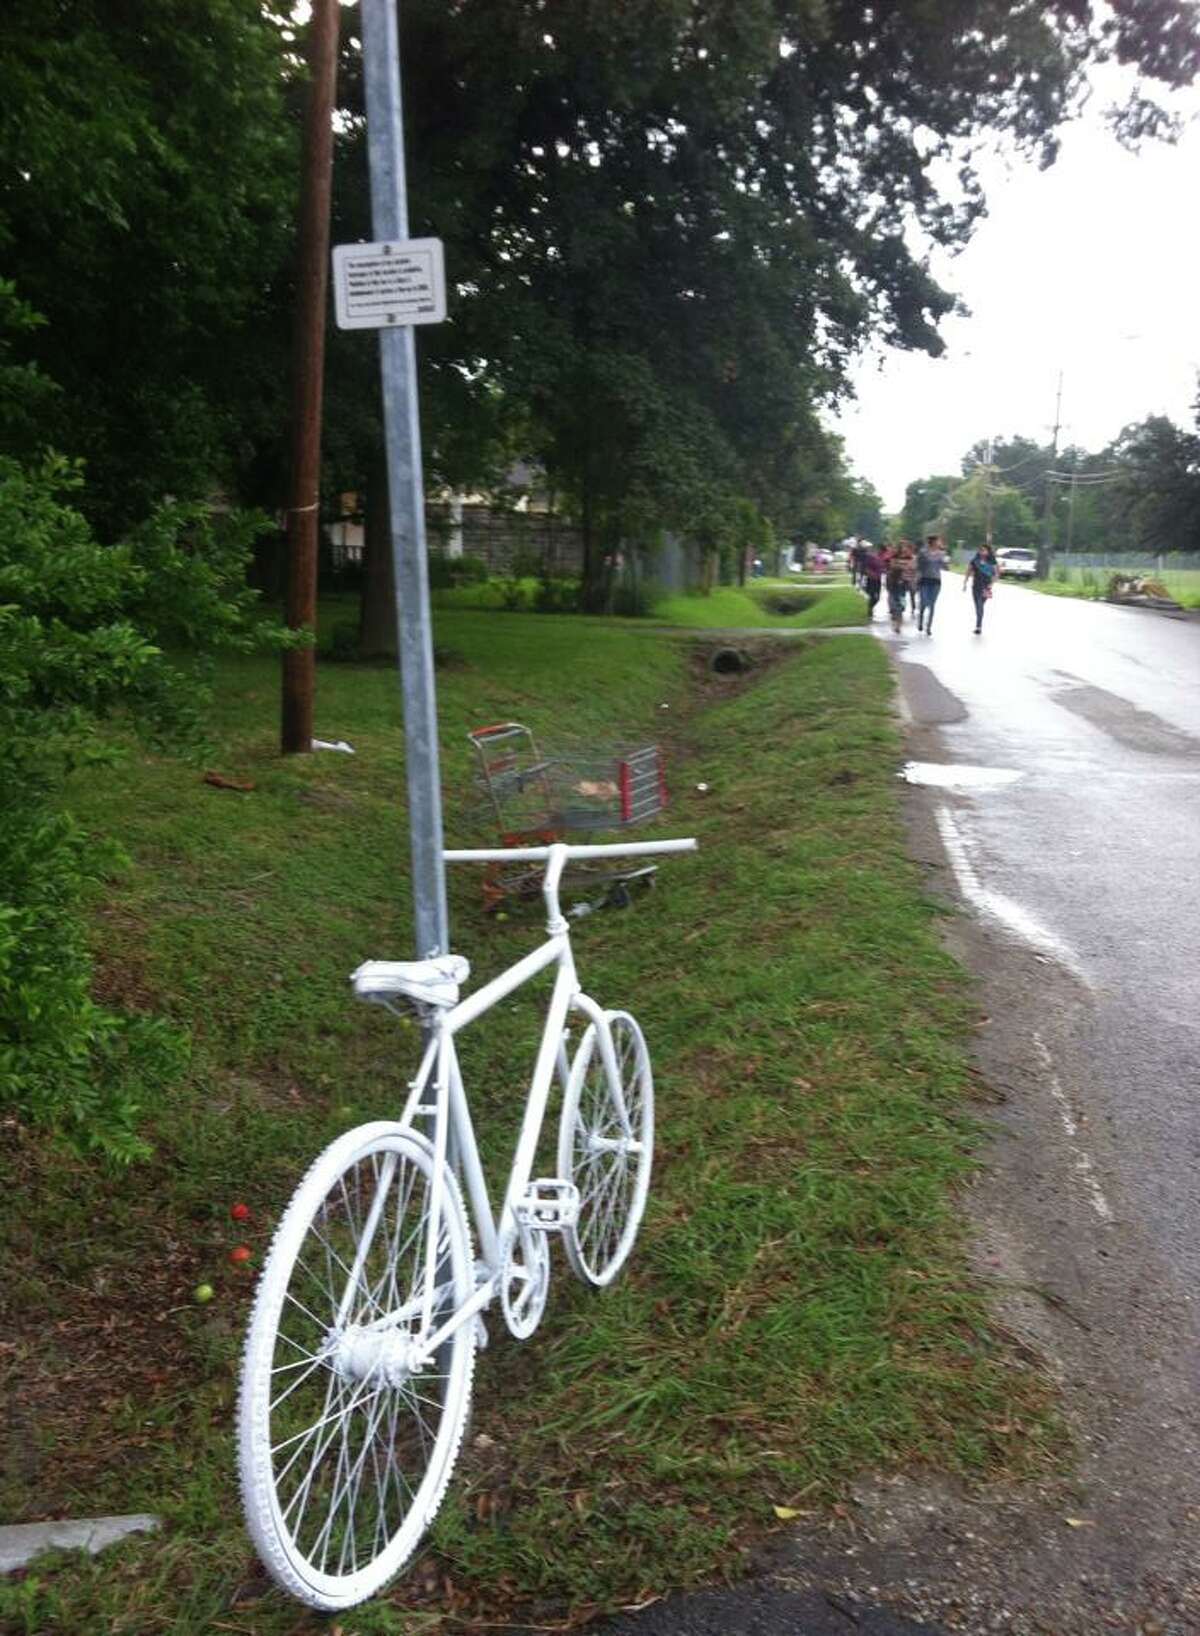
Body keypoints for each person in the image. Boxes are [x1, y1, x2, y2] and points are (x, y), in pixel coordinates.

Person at [964, 542, 998, 633]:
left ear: (988, 552)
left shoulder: (992, 562)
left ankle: (978, 626)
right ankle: (978, 624)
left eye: (984, 550)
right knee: (978, 606)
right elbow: (968, 571)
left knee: (980, 605)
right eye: (980, 550)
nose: (981, 552)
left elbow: (996, 574)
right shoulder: (975, 561)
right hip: (975, 586)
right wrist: (965, 582)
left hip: (986, 587)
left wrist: (992, 584)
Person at [916, 533, 947, 634]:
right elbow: (919, 566)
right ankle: (920, 621)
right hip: (924, 579)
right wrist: (917, 576)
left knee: (932, 604)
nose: (939, 543)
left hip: (936, 581)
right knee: (924, 602)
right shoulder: (923, 552)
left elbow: (944, 566)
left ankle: (929, 627)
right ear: (933, 542)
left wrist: (945, 562)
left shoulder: (941, 553)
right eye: (938, 541)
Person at [886, 542, 915, 633]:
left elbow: (911, 567)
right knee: (894, 601)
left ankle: (898, 623)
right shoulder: (894, 556)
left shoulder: (909, 557)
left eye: (906, 547)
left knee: (901, 603)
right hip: (893, 581)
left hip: (903, 583)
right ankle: (896, 621)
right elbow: (893, 566)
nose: (905, 549)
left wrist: (904, 568)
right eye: (903, 547)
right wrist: (903, 567)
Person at [860, 542, 884, 618]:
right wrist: (871, 574)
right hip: (871, 580)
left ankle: (870, 607)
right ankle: (870, 609)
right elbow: (866, 568)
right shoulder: (870, 558)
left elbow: (882, 568)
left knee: (878, 597)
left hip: (878, 580)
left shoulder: (880, 558)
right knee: (873, 596)